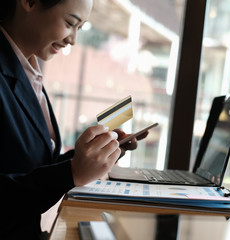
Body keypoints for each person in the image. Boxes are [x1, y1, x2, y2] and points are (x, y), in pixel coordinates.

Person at [0, 0, 147, 239]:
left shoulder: (27, 70)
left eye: (80, 28)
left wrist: (90, 156)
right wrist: (71, 172)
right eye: (70, 23)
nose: (73, 40)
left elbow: (28, 166)